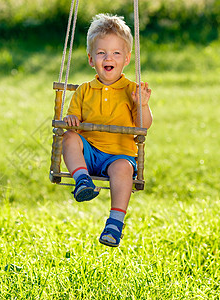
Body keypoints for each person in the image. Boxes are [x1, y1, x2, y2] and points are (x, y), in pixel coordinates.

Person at [62, 13, 153, 247]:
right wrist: (72, 118)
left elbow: (143, 126)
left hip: (118, 155)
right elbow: (74, 118)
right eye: (101, 53)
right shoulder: (83, 90)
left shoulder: (132, 90)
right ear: (91, 59)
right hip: (89, 153)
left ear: (127, 59)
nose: (108, 58)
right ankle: (82, 180)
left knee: (123, 168)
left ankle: (115, 222)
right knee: (70, 136)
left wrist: (141, 104)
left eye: (116, 53)